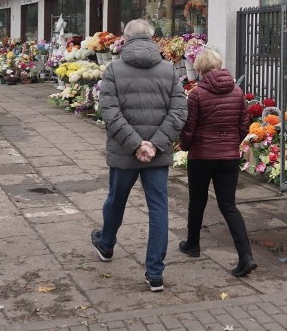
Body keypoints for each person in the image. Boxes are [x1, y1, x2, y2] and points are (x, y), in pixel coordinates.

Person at [91, 19, 188, 292]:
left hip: (124, 153)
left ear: (126, 38)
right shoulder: (169, 70)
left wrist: (135, 145)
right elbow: (179, 112)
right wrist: (154, 145)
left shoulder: (114, 69)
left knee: (116, 200)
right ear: (152, 37)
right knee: (159, 210)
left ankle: (106, 244)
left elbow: (109, 111)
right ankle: (155, 273)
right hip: (156, 156)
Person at [177, 49, 257, 277]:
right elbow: (244, 126)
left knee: (197, 201)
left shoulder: (197, 95)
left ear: (200, 69)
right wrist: (231, 143)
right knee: (228, 206)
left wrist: (183, 146)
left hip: (201, 157)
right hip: (228, 158)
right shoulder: (237, 92)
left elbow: (189, 128)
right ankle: (246, 256)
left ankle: (192, 245)